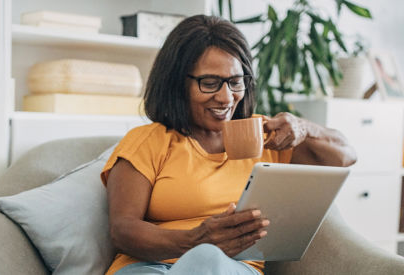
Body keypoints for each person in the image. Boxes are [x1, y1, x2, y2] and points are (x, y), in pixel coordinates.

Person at [102, 15, 356, 275]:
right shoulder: (150, 140)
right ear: (177, 83)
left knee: (209, 261)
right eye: (209, 83)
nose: (226, 98)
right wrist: (194, 240)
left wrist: (304, 129)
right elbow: (122, 230)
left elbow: (345, 156)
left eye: (235, 82)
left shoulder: (266, 134)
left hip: (232, 269)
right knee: (204, 257)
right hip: (149, 268)